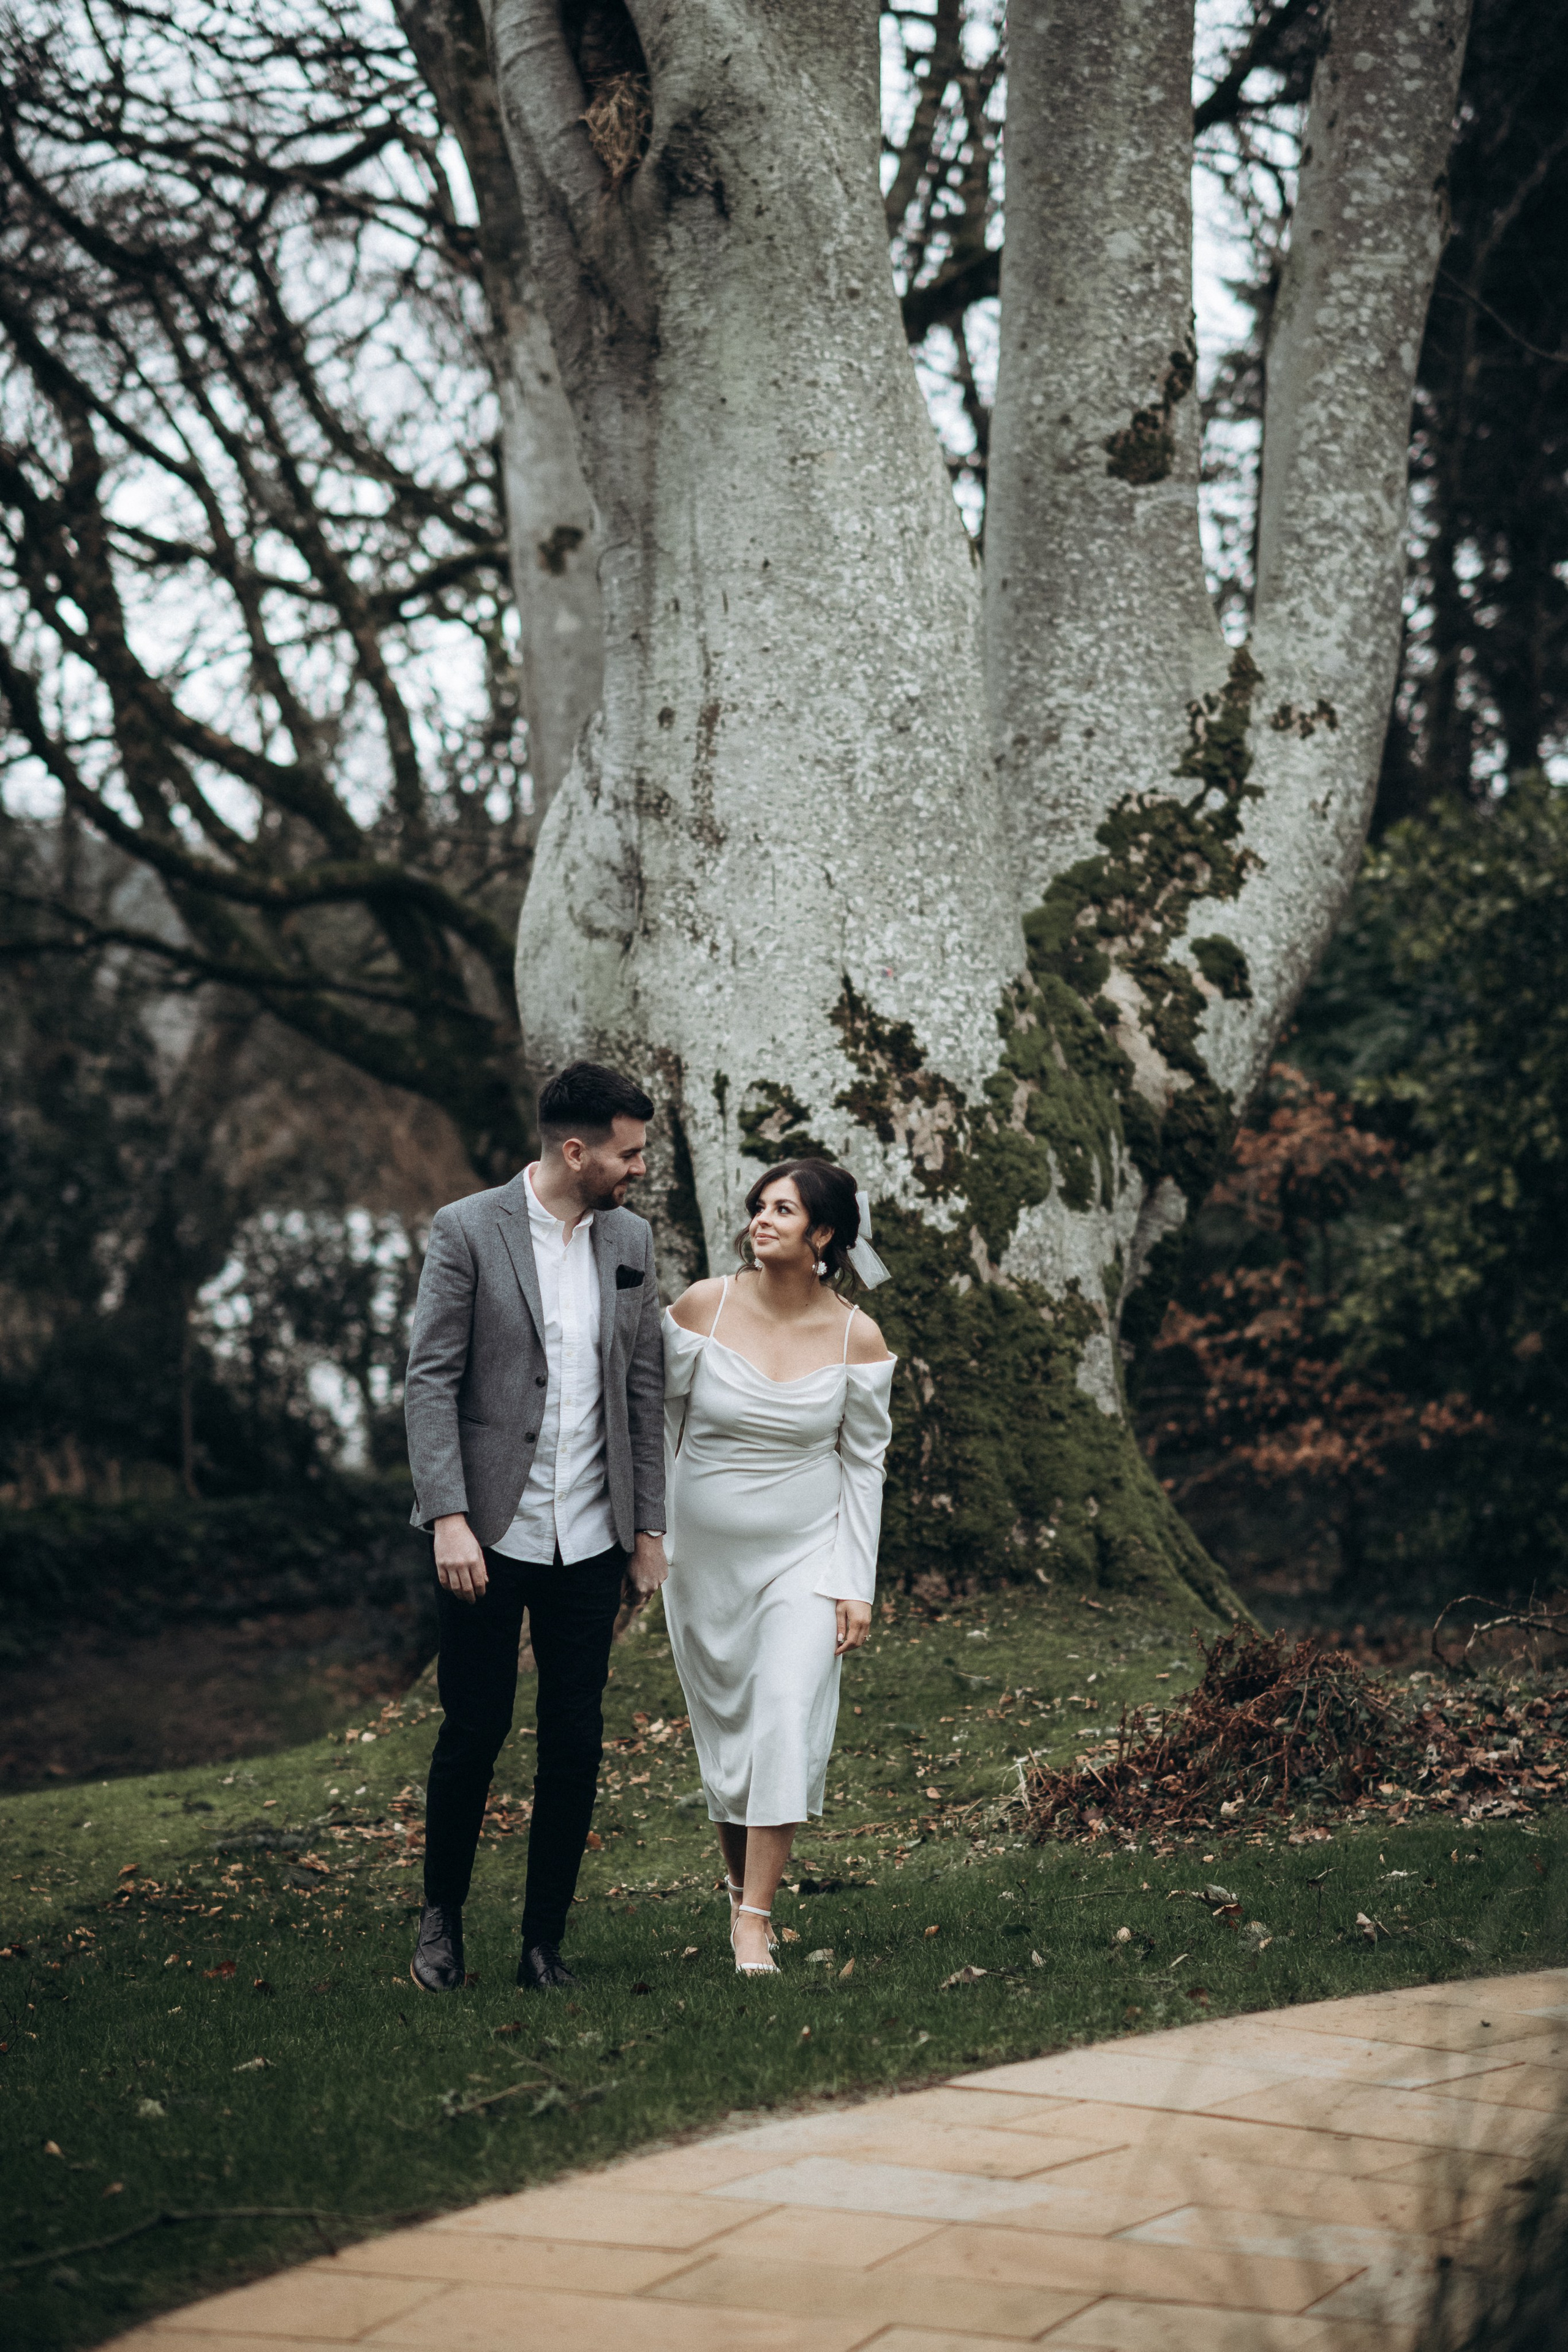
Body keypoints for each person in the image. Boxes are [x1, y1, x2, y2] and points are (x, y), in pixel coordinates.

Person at [402, 1062, 668, 1994]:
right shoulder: (468, 1229)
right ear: (575, 1149)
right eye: (628, 1153)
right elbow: (430, 1380)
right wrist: (448, 1518)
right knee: (473, 1729)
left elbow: (642, 1385)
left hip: (591, 1535)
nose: (638, 1168)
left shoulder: (631, 1237)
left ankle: (542, 1945)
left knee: (576, 1736)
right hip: (486, 1533)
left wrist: (649, 1531)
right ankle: (441, 1929)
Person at [662, 1159, 895, 1973]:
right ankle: (738, 1895)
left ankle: (755, 1920)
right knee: (730, 1737)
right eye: (759, 1206)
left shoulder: (854, 1335)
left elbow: (864, 1464)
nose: (762, 1219)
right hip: (702, 1561)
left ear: (822, 1234)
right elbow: (657, 1422)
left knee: (784, 1716)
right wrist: (648, 1537)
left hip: (803, 1558)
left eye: (784, 1209)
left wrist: (853, 1583)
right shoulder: (702, 1304)